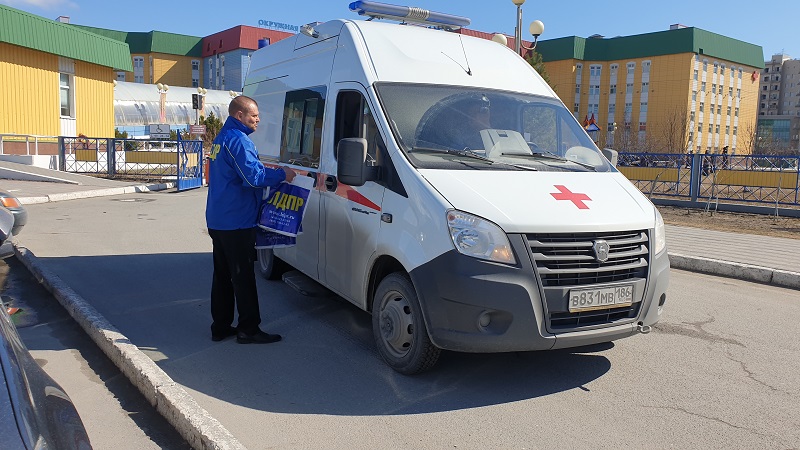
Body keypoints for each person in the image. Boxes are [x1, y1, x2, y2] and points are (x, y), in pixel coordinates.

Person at [205, 95, 296, 344]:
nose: (258, 120)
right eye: (254, 115)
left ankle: (220, 327)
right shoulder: (238, 140)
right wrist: (282, 174)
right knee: (242, 276)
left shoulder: (222, 138)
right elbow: (253, 178)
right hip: (236, 221)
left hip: (219, 219)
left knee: (222, 275)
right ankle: (248, 329)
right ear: (240, 115)